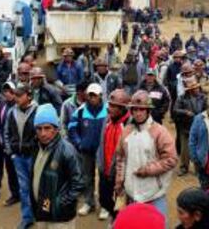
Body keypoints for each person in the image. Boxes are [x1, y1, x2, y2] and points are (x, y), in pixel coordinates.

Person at [115, 90, 177, 225]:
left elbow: (171, 159)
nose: (138, 113)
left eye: (142, 109)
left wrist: (149, 170)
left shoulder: (159, 131)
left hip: (154, 194)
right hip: (132, 193)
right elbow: (120, 158)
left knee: (158, 225)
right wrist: (119, 182)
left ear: (148, 111)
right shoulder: (126, 131)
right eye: (135, 110)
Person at [30, 103, 84, 229]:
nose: (43, 133)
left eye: (47, 128)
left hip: (60, 219)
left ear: (56, 128)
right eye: (39, 128)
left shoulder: (67, 151)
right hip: (42, 212)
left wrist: (59, 204)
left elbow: (79, 184)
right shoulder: (36, 147)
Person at [68, 83, 108, 217]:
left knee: (104, 178)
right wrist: (80, 144)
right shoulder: (80, 111)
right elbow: (72, 128)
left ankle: (105, 206)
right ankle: (89, 202)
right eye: (90, 95)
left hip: (104, 151)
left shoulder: (108, 109)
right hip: (86, 151)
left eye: (95, 95)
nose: (92, 98)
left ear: (100, 96)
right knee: (86, 177)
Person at [5, 85, 38, 229]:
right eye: (15, 95)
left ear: (29, 96)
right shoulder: (12, 112)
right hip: (18, 157)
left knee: (37, 187)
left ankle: (41, 214)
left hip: (33, 157)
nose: (16, 98)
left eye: (20, 95)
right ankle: (27, 218)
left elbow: (42, 135)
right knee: (24, 188)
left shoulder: (38, 111)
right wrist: (11, 152)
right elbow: (6, 132)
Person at [97, 89, 131, 221]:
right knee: (104, 199)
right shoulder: (107, 120)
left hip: (119, 172)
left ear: (122, 108)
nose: (109, 108)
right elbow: (101, 142)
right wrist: (100, 163)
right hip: (104, 168)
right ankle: (115, 218)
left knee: (121, 203)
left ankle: (118, 221)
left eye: (113, 106)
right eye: (109, 105)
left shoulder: (129, 125)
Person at [173, 77, 206, 176]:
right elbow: (175, 110)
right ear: (190, 90)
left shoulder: (203, 97)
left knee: (199, 148)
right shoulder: (181, 98)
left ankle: (198, 168)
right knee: (184, 149)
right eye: (194, 88)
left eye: (197, 88)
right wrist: (185, 112)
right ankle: (184, 167)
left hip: (199, 127)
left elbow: (206, 109)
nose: (196, 89)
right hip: (185, 126)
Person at [0, 82, 20, 207]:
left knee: (22, 172)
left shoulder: (18, 107)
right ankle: (15, 195)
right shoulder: (3, 106)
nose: (7, 93)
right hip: (6, 145)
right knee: (11, 172)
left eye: (10, 91)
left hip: (18, 145)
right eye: (5, 91)